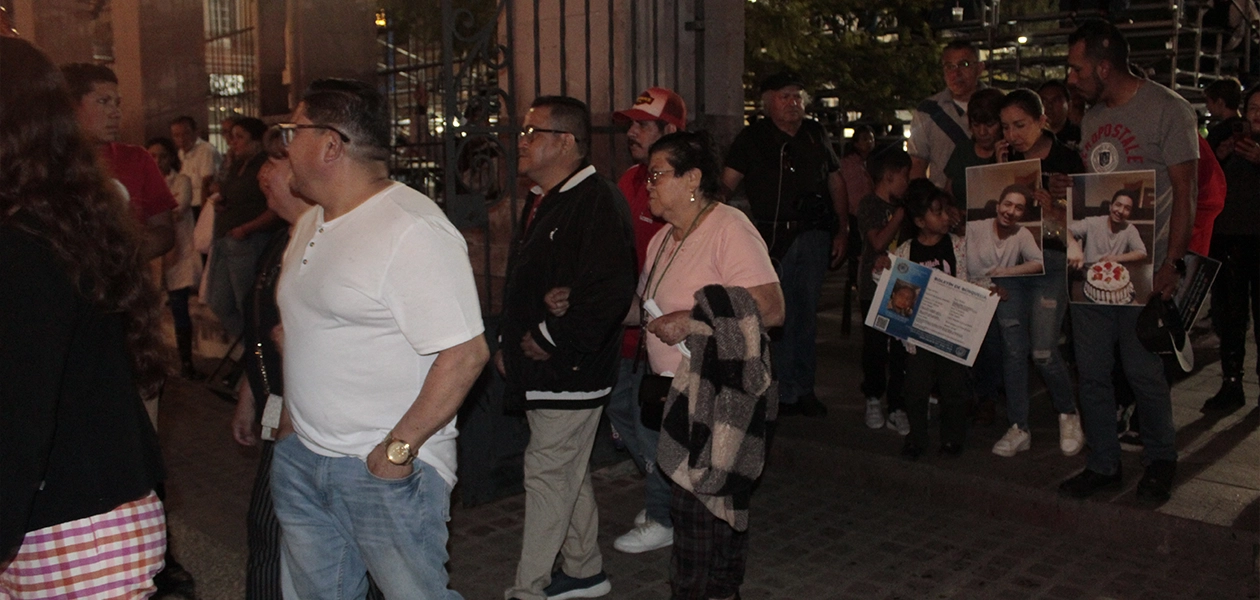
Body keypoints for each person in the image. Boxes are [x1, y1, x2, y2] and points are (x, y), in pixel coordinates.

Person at [271, 78, 489, 598]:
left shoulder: (411, 229)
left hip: (380, 472)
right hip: (304, 459)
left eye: (292, 131)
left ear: (330, 144)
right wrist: (290, 427)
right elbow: (306, 334)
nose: (284, 146)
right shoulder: (310, 222)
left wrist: (395, 453)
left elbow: (466, 354)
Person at [1, 36, 167, 596]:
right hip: (72, 514)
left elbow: (18, 414)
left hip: (71, 527)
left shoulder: (25, 242)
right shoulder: (57, 218)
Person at [499, 96, 636, 600]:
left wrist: (551, 337)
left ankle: (529, 588)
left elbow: (611, 290)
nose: (521, 141)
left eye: (531, 131)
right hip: (546, 368)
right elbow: (532, 281)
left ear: (565, 142)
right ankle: (584, 569)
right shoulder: (546, 197)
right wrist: (510, 342)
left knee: (548, 474)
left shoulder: (596, 200)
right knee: (565, 473)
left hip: (573, 369)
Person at [639, 131, 783, 600]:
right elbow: (645, 304)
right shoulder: (662, 239)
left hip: (721, 395)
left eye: (657, 174)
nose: (648, 185)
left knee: (697, 512)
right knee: (710, 512)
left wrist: (690, 319)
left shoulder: (728, 227)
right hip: (678, 394)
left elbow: (772, 307)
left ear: (692, 178)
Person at [1060, 19, 1199, 504]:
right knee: (1093, 373)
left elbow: (1186, 193)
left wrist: (1172, 264)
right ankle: (1104, 463)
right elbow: (1097, 189)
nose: (1071, 78)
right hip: (1092, 269)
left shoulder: (1168, 110)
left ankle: (1161, 460)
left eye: (1077, 69)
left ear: (1103, 67)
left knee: (1144, 373)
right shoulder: (1092, 118)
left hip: (1143, 272)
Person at [722, 71, 848, 418]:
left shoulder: (815, 134)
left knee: (805, 312)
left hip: (813, 234)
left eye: (797, 97)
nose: (793, 103)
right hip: (772, 236)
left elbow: (836, 181)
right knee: (772, 313)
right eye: (784, 96)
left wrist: (842, 228)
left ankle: (802, 388)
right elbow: (727, 183)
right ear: (768, 102)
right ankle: (774, 389)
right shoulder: (753, 138)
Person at [605, 87, 683, 555]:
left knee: (650, 422)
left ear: (670, 130)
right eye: (630, 124)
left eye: (642, 124)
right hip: (626, 328)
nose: (631, 132)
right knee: (621, 411)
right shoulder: (629, 179)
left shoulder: (682, 191)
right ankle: (664, 494)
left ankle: (663, 514)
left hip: (660, 335)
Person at [987, 89, 1085, 458]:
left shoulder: (1066, 159)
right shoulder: (1005, 159)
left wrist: (1057, 204)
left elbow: (1085, 217)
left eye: (1020, 125)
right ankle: (1018, 425)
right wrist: (996, 172)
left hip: (1052, 260)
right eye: (1005, 127)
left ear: (1042, 121)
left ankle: (1067, 412)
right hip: (1010, 261)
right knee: (1013, 349)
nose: (1011, 135)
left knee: (1043, 349)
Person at [61, 63, 175, 261]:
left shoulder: (137, 158)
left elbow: (164, 230)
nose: (115, 113)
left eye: (117, 103)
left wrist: (125, 252)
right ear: (71, 106)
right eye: (103, 101)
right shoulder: (47, 162)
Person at [891, 181, 972, 459]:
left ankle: (952, 438)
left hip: (952, 330)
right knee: (916, 387)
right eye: (938, 213)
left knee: (954, 386)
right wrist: (882, 270)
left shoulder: (958, 246)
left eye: (946, 211)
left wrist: (990, 291)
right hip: (919, 333)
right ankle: (917, 437)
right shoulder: (906, 252)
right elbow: (892, 289)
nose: (946, 217)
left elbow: (973, 279)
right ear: (919, 221)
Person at [1201, 83, 1260, 412]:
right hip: (1229, 239)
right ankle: (1231, 383)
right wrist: (1219, 158)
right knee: (1231, 316)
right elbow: (1203, 182)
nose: (1257, 114)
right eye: (1253, 108)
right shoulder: (1225, 136)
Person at [206, 116, 280, 340]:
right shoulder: (237, 164)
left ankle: (256, 347)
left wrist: (247, 228)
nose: (233, 142)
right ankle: (247, 343)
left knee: (246, 301)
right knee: (217, 301)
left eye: (239, 137)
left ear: (256, 141)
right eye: (231, 137)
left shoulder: (264, 166)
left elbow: (275, 209)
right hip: (225, 239)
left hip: (247, 241)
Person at [857, 148, 913, 433]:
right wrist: (899, 216)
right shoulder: (869, 205)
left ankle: (897, 405)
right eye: (904, 176)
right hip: (873, 286)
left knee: (901, 348)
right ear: (889, 176)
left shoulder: (906, 207)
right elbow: (877, 242)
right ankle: (873, 397)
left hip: (902, 285)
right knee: (875, 347)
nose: (907, 182)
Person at [147, 136, 203, 379]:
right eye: (152, 156)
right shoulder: (146, 181)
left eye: (162, 155)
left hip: (178, 252)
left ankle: (186, 362)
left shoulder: (182, 181)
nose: (157, 160)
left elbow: (177, 209)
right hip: (153, 256)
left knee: (180, 307)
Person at [910, 40, 986, 186]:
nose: (956, 73)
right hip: (943, 196)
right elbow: (917, 164)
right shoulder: (927, 111)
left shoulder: (999, 104)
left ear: (980, 68)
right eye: (950, 66)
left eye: (964, 64)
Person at [943, 87, 1006, 210]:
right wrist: (951, 210)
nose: (982, 132)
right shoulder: (963, 150)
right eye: (976, 125)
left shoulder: (1012, 152)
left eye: (990, 125)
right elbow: (948, 192)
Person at [1067, 188, 1148, 265]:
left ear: (1130, 213)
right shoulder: (1092, 222)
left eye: (1127, 208)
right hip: (1089, 270)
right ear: (1110, 206)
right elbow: (1067, 231)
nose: (1121, 211)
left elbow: (1142, 252)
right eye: (1118, 205)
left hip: (1115, 272)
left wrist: (1116, 258)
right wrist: (1072, 244)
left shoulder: (1130, 229)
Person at [171, 115, 223, 220]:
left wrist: (203, 213)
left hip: (201, 205)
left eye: (186, 134)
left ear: (196, 132)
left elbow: (207, 181)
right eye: (176, 135)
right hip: (187, 205)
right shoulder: (181, 153)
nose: (181, 139)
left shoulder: (205, 150)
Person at [1038, 80, 1082, 150]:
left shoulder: (1081, 136)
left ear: (1069, 106)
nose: (1049, 106)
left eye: (1055, 101)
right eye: (1044, 101)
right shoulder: (1030, 137)